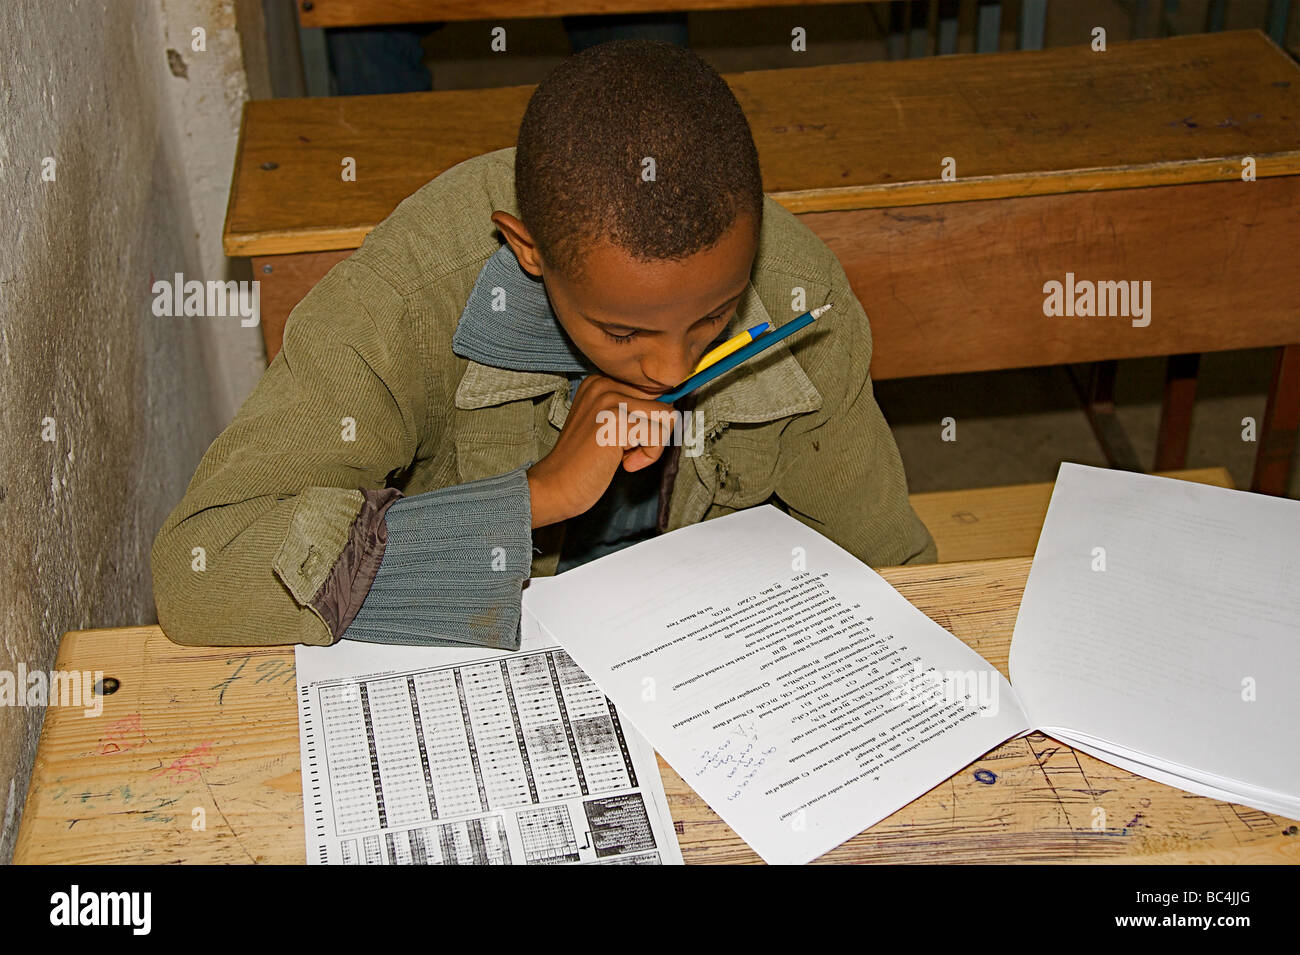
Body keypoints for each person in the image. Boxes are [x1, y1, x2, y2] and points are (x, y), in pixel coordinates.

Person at [151, 39, 936, 650]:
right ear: (529, 251)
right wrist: (535, 496)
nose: (669, 367)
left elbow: (893, 565)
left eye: (712, 317)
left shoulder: (797, 297)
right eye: (621, 331)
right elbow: (200, 567)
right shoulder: (410, 296)